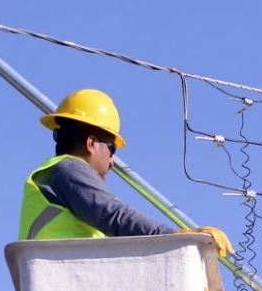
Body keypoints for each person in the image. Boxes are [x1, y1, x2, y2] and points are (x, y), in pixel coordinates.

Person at [19, 88, 233, 256]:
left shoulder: (54, 174)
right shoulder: (68, 170)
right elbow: (114, 215)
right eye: (112, 148)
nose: (113, 161)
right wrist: (176, 237)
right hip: (63, 283)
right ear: (91, 143)